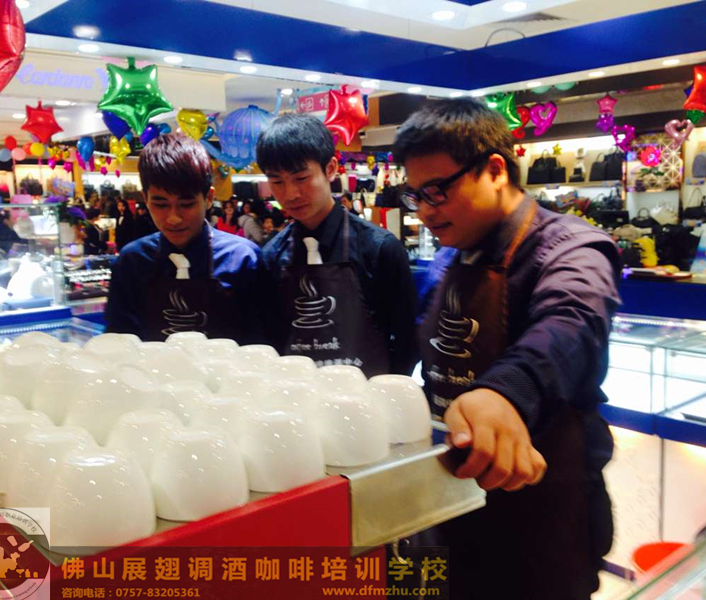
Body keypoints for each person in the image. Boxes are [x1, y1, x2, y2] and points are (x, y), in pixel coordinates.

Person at [394, 99, 621, 600]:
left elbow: (570, 323)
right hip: (452, 501)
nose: (425, 210)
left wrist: (504, 394)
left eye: (438, 191)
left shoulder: (573, 247)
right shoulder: (450, 256)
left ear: (495, 170)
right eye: (415, 196)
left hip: (541, 519)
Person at [257, 114, 417, 377]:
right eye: (277, 182)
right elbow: (270, 340)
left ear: (330, 169)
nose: (290, 194)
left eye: (301, 178)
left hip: (368, 396)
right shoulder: (270, 257)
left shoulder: (379, 248)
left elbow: (407, 339)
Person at [105, 133, 268, 343]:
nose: (173, 218)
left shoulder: (244, 258)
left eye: (186, 204)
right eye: (161, 204)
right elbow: (119, 342)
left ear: (208, 198)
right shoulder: (131, 262)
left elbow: (262, 343)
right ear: (145, 198)